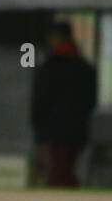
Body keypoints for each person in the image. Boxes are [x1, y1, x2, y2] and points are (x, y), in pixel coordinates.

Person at [30, 22, 97, 187]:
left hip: (54, 130)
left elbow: (40, 100)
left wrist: (37, 126)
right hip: (77, 128)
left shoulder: (49, 68)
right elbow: (91, 100)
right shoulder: (84, 68)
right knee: (65, 170)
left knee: (57, 172)